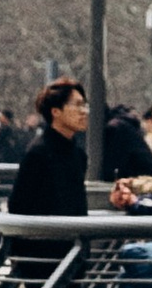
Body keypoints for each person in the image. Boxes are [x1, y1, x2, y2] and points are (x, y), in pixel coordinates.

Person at [8, 78, 91, 219]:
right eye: (77, 105)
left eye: (84, 105)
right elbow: (19, 206)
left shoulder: (78, 154)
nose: (84, 111)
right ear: (56, 111)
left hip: (70, 237)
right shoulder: (38, 154)